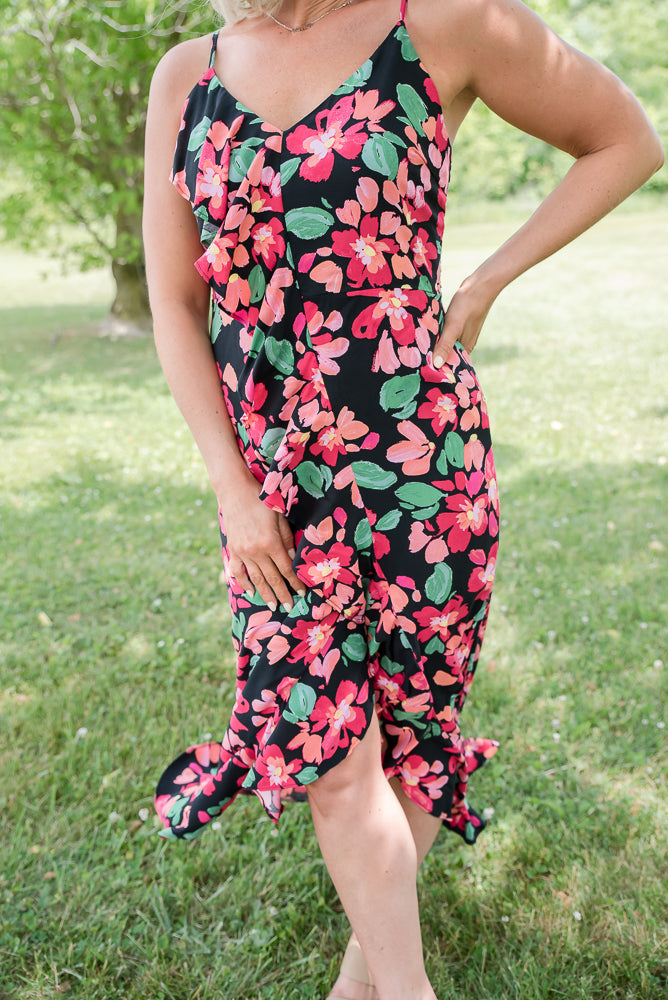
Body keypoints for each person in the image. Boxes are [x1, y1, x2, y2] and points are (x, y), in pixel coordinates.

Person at [143, 1, 663, 997]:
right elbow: (174, 297)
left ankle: (365, 981)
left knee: (416, 729)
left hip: (424, 457)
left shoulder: (443, 25)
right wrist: (228, 483)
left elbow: (622, 140)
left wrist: (483, 282)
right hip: (272, 485)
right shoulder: (187, 74)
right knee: (331, 750)